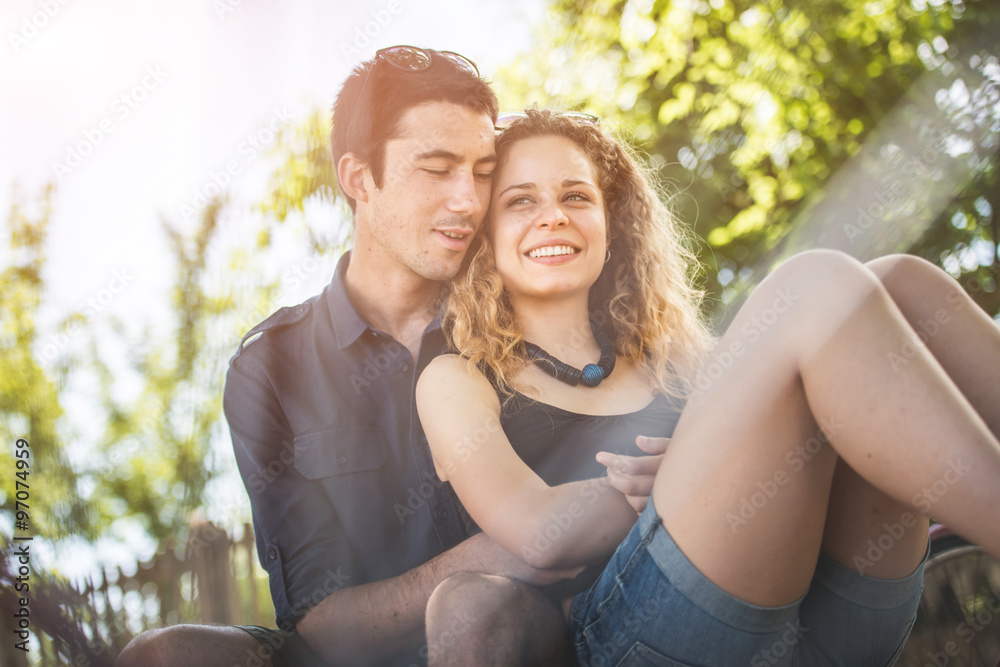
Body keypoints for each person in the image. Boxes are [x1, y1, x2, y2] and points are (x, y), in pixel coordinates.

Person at [119, 48, 650, 667]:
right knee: (160, 655)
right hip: (359, 653)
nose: (468, 201)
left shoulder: (531, 296)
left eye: (482, 171)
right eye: (437, 169)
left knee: (477, 616)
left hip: (529, 623)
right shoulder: (271, 369)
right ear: (358, 179)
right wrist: (538, 535)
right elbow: (324, 627)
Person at [416, 109, 1000, 665]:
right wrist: (690, 472)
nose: (554, 216)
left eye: (576, 196)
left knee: (899, 282)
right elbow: (540, 533)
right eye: (521, 201)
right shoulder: (457, 373)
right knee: (812, 286)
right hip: (645, 636)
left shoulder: (682, 360)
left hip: (829, 611)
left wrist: (707, 464)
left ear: (611, 225)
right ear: (485, 237)